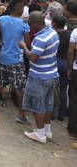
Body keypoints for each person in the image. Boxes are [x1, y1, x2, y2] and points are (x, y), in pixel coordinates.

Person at [20, 10, 60, 143]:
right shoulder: (53, 33)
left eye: (31, 24)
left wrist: (24, 47)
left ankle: (40, 133)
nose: (30, 27)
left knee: (38, 105)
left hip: (39, 76)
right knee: (48, 103)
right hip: (52, 74)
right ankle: (47, 131)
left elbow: (33, 58)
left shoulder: (40, 39)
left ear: (37, 23)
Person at [0, 0, 30, 125]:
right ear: (19, 9)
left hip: (3, 56)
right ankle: (22, 114)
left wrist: (1, 43)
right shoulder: (24, 24)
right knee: (20, 88)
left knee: (0, 82)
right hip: (16, 59)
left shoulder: (2, 19)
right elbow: (27, 42)